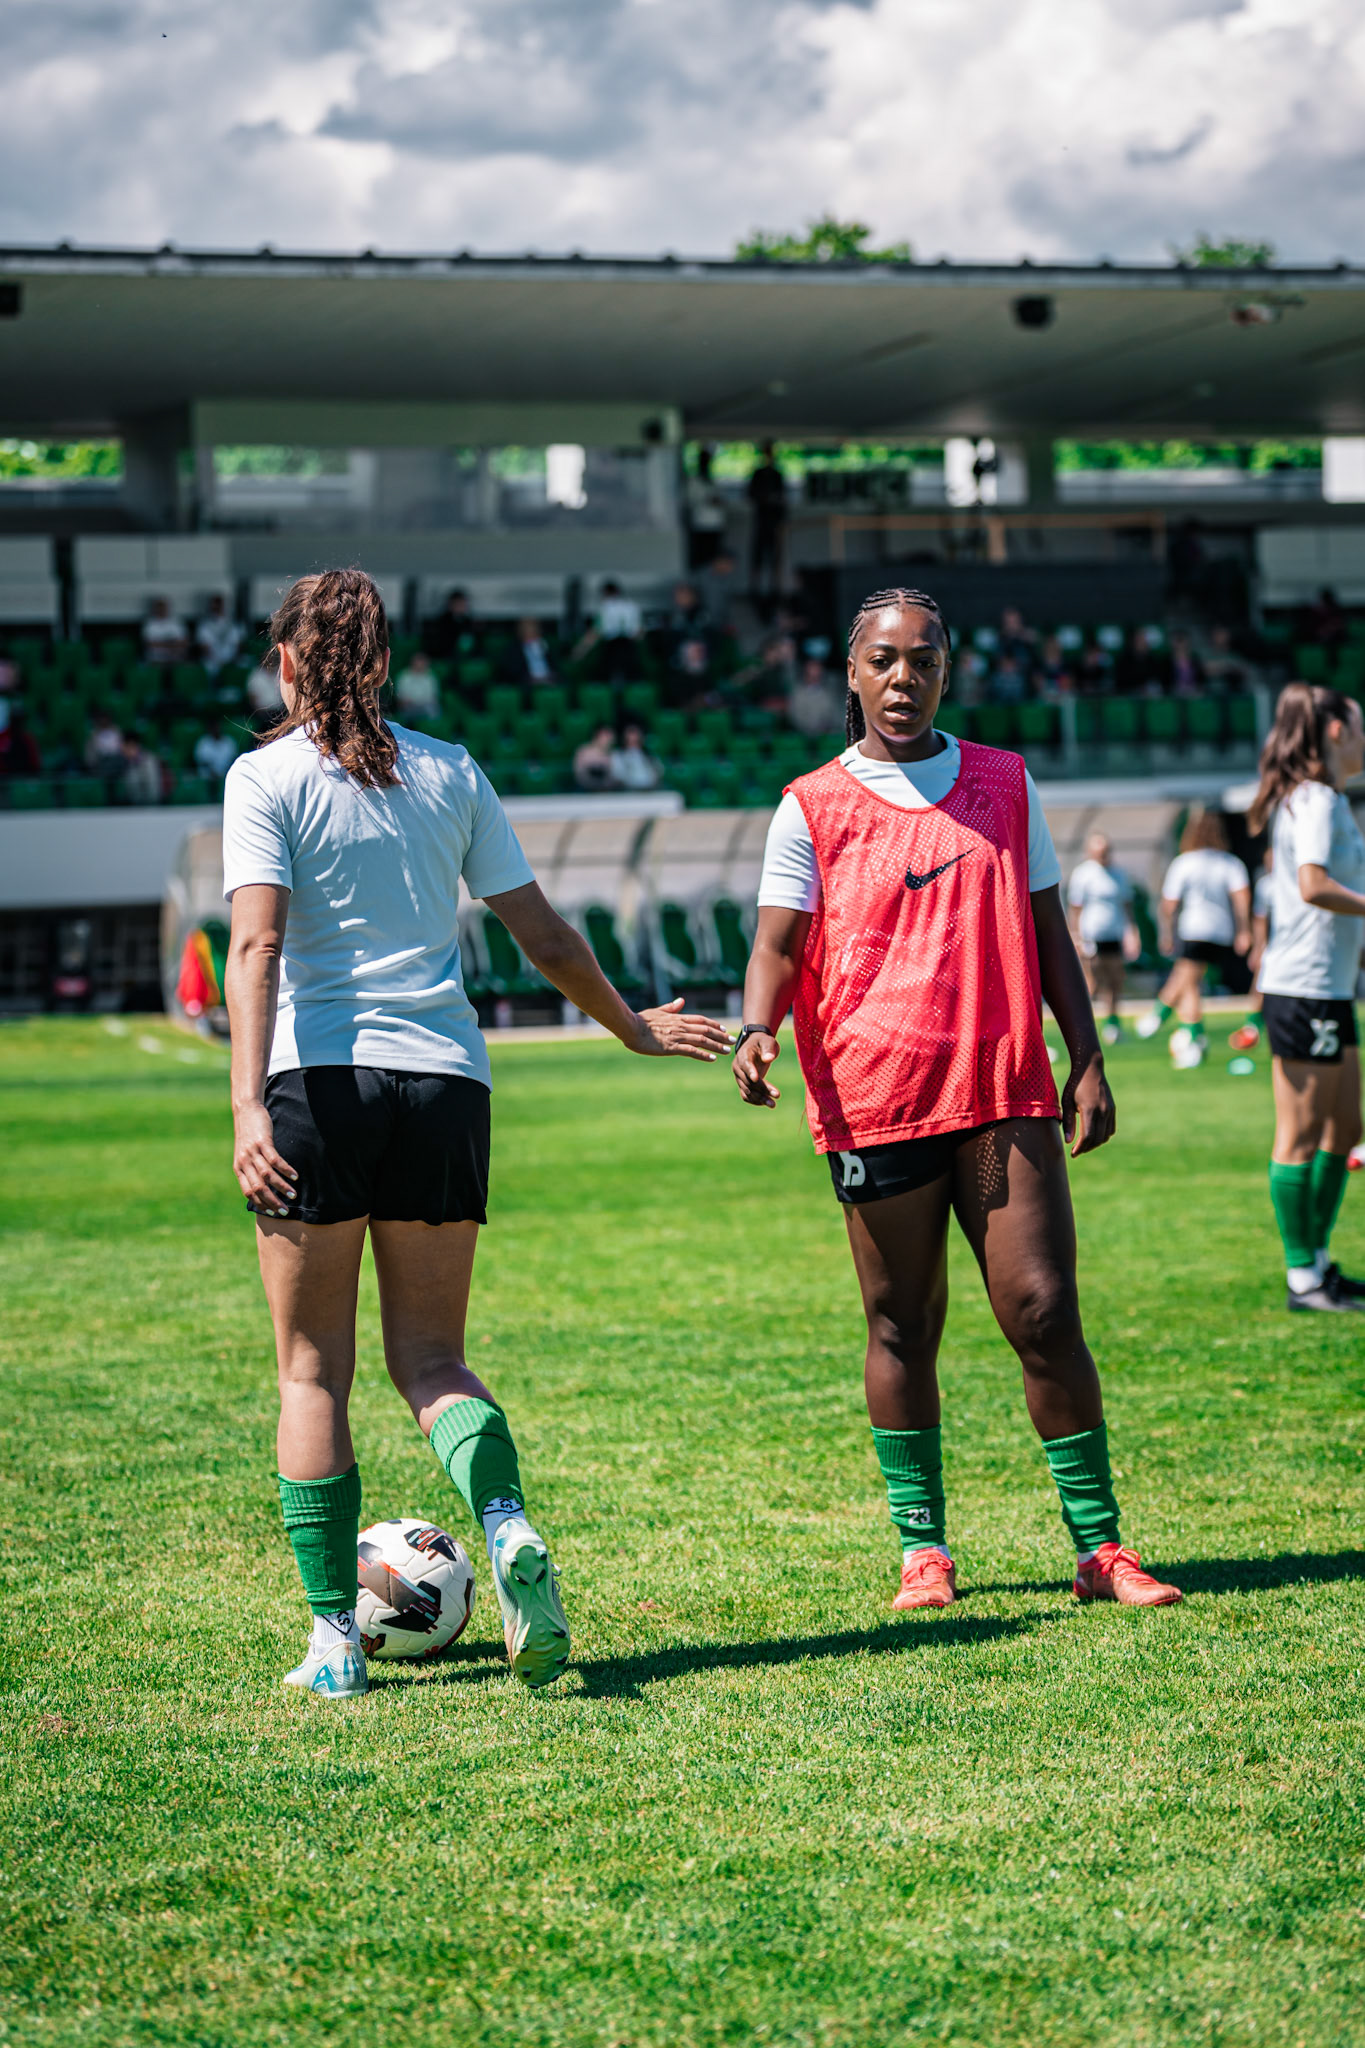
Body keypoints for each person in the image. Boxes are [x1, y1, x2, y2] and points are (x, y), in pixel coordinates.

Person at [222, 569, 730, 1700]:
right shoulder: (450, 768)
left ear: (290, 663)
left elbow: (255, 950)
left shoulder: (262, 776)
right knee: (434, 1360)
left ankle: (334, 1642)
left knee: (314, 1370)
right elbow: (544, 935)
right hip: (446, 1084)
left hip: (321, 1081)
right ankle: (502, 1525)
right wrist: (633, 1028)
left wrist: (250, 1104)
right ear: (389, 661)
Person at [731, 585, 1181, 1614]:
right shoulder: (810, 803)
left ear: (949, 667)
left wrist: (1090, 1055)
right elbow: (775, 943)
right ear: (850, 673)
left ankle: (1100, 1546)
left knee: (1044, 1306)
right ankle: (922, 1549)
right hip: (874, 1094)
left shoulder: (1005, 782)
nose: (904, 678)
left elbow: (1048, 927)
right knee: (900, 1321)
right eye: (883, 660)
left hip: (1000, 1089)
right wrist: (758, 1029)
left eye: (923, 659)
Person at [1248, 683, 1365, 1312]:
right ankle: (1303, 1278)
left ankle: (1319, 1265)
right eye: (1361, 726)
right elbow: (1314, 886)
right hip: (1303, 989)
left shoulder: (1327, 801)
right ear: (1338, 733)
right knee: (1301, 1133)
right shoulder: (1316, 800)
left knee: (1345, 1128)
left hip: (1331, 988)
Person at [1136, 810, 1251, 1064]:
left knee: (1189, 984)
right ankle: (1162, 1015)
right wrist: (1244, 930)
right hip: (1221, 932)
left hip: (1193, 929)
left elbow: (1169, 904)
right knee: (1189, 978)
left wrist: (1167, 932)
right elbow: (1242, 898)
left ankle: (1186, 1032)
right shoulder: (1230, 862)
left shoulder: (1184, 862)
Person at [1066, 832, 1138, 1046]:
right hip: (1091, 936)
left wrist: (1132, 933)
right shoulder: (1083, 875)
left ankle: (1113, 1023)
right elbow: (1075, 909)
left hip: (1113, 935)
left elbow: (1127, 907)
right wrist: (1076, 936)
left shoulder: (1119, 875)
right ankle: (1081, 1026)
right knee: (1092, 982)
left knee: (1115, 981)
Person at [1229, 851, 1274, 1051]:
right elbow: (1260, 920)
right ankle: (1252, 1028)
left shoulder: (1300, 881)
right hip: (1274, 946)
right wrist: (1258, 948)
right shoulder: (1266, 885)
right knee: (1259, 986)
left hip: (1298, 948)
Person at [747, 443, 787, 608]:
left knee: (775, 557)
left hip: (775, 521)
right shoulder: (758, 474)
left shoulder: (777, 475)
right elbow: (751, 494)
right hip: (762, 520)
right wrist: (765, 498)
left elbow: (783, 498)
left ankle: (774, 589)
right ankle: (755, 589)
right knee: (758, 556)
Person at [686, 445, 728, 569]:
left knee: (714, 558)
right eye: (705, 461)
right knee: (701, 558)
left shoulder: (713, 480)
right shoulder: (693, 481)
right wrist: (708, 501)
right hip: (700, 524)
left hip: (716, 524)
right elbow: (691, 501)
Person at [786, 656, 845, 740]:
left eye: (817, 670)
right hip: (803, 736)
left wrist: (826, 726)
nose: (815, 673)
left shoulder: (827, 693)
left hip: (826, 735)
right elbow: (795, 716)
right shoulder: (798, 693)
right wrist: (812, 729)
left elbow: (832, 713)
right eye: (813, 670)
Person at [424, 589, 481, 665]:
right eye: (458, 604)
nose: (461, 606)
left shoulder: (468, 621)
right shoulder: (442, 621)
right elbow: (438, 644)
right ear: (450, 604)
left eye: (463, 603)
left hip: (465, 656)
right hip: (446, 655)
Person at [502, 617, 557, 688]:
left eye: (535, 628)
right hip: (528, 683)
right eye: (529, 628)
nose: (533, 631)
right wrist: (531, 678)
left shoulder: (544, 645)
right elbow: (513, 671)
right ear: (521, 631)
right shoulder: (514, 649)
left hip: (549, 680)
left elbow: (554, 666)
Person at [197, 596, 244, 676]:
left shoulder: (232, 624)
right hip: (213, 661)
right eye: (215, 606)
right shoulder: (205, 625)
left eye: (220, 605)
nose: (217, 608)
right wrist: (218, 662)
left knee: (244, 663)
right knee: (208, 667)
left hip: (231, 661)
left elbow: (238, 645)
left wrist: (231, 661)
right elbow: (204, 648)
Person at [392, 650, 441, 722]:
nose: (421, 664)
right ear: (413, 662)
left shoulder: (431, 676)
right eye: (418, 661)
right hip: (409, 707)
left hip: (426, 706)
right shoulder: (403, 676)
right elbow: (401, 698)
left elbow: (433, 696)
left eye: (423, 662)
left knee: (433, 709)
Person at [610, 723, 660, 792]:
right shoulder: (618, 755)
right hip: (628, 791)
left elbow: (657, 772)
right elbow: (618, 774)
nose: (633, 738)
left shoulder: (649, 756)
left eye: (636, 734)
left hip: (649, 790)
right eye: (630, 735)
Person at [120, 732, 164, 804]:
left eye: (126, 746)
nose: (123, 750)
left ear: (133, 745)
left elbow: (153, 791)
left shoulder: (149, 761)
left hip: (147, 805)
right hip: (131, 806)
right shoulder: (123, 761)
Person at [142, 597, 188, 667]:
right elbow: (149, 644)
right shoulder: (149, 623)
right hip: (155, 659)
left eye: (163, 608)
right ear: (155, 609)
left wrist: (161, 643)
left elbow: (184, 642)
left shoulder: (176, 621)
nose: (161, 610)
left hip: (175, 658)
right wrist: (171, 643)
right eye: (159, 608)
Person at [194, 713, 240, 783]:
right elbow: (202, 762)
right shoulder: (203, 742)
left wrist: (225, 772)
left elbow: (233, 759)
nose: (216, 729)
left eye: (217, 727)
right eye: (213, 727)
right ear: (209, 729)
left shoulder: (229, 741)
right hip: (207, 777)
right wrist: (214, 773)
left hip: (226, 775)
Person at [573, 723, 618, 792]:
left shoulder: (612, 754)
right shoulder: (584, 751)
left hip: (606, 790)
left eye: (610, 736)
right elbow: (579, 774)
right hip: (585, 789)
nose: (609, 739)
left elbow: (612, 777)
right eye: (606, 736)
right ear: (597, 735)